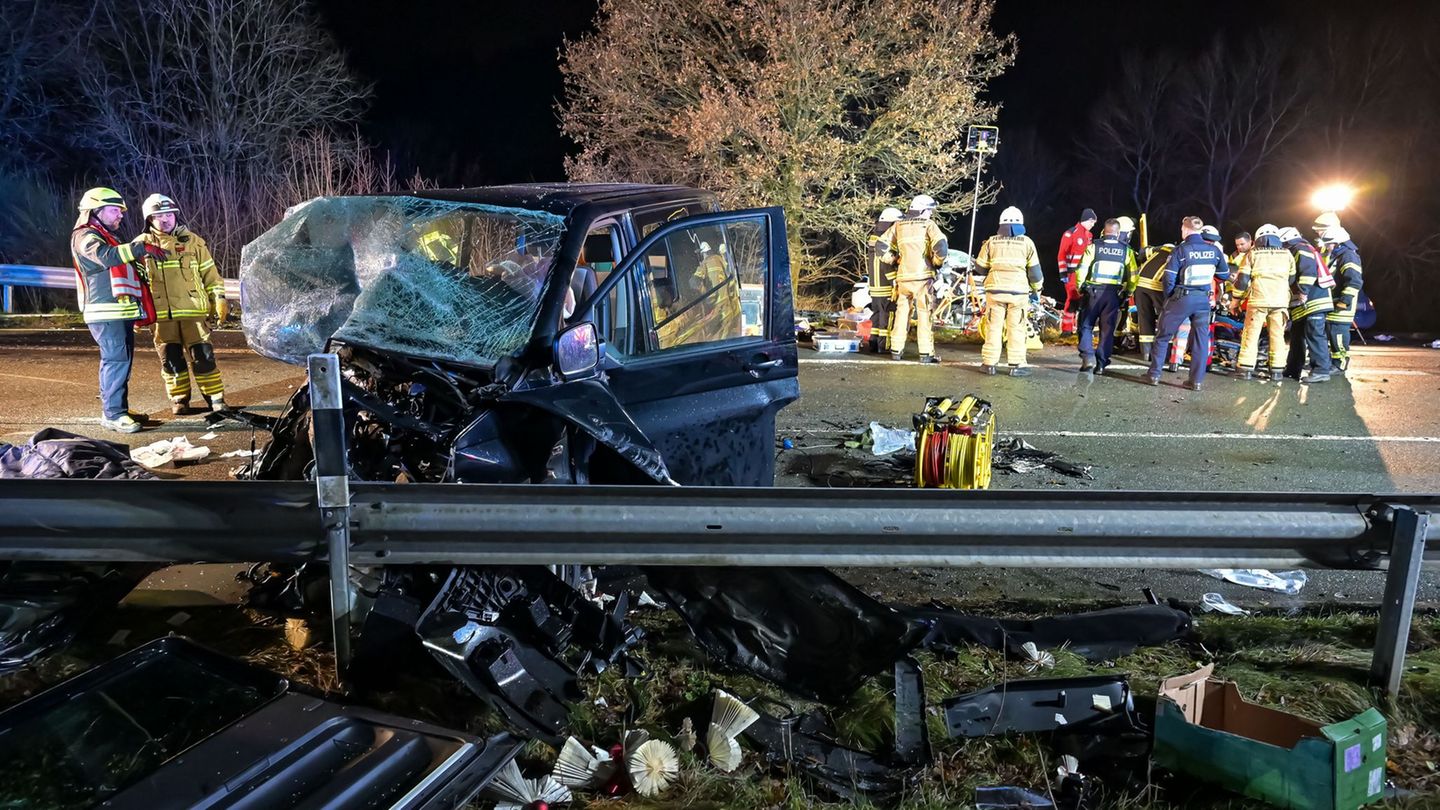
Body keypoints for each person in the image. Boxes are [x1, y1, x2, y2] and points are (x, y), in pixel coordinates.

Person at [70, 187, 165, 433]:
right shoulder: (86, 236)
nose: (120, 215)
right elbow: (106, 257)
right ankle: (113, 414)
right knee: (116, 360)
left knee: (121, 360)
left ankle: (117, 407)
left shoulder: (103, 235)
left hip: (117, 311)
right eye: (114, 210)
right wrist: (139, 248)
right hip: (105, 312)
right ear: (95, 211)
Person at [138, 194, 229, 414]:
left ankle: (216, 400)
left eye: (169, 214)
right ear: (149, 219)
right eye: (159, 216)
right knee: (171, 360)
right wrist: (137, 312)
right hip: (161, 317)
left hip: (193, 313)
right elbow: (136, 283)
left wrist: (219, 297)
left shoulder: (194, 242)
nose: (166, 220)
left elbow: (211, 274)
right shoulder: (140, 246)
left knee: (204, 357)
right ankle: (180, 400)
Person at [1148, 216, 1229, 391]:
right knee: (1200, 340)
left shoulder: (1180, 250)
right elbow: (1224, 275)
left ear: (1185, 229)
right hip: (1203, 300)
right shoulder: (1214, 251)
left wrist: (1170, 298)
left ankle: (1154, 375)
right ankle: (1196, 381)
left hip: (1181, 298)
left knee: (1163, 335)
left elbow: (1168, 278)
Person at [973, 206, 1044, 376]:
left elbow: (980, 268)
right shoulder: (1027, 242)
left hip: (995, 291)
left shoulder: (991, 241)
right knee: (1016, 328)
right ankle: (1016, 365)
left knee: (993, 327)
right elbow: (1035, 273)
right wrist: (1037, 289)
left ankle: (989, 364)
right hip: (1018, 293)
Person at [882, 195, 948, 363]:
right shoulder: (929, 225)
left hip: (903, 278)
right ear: (923, 210)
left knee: (901, 313)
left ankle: (896, 350)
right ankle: (926, 354)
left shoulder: (898, 226)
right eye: (930, 211)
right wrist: (936, 263)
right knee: (925, 314)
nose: (931, 215)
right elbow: (941, 247)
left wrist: (894, 259)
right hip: (923, 279)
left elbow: (881, 247)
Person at [1230, 224, 1293, 383]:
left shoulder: (1252, 254)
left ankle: (1245, 369)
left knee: (1251, 335)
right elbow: (1292, 278)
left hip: (1258, 301)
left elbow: (1242, 281)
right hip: (1280, 303)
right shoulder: (1287, 254)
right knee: (1277, 336)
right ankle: (1277, 371)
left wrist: (1235, 301)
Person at [1074, 218, 1137, 373]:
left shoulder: (1094, 247)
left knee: (1086, 325)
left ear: (1104, 231)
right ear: (1118, 233)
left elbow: (1081, 269)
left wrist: (1080, 287)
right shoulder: (1126, 251)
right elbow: (1134, 276)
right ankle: (1101, 364)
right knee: (1107, 330)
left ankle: (1088, 357)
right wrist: (1128, 291)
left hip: (1093, 293)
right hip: (1113, 295)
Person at [1281, 226, 1334, 383]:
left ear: (1286, 241)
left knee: (1315, 335)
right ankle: (1292, 369)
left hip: (1313, 301)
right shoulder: (1299, 248)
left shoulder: (1300, 248)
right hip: (1304, 303)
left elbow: (1308, 272)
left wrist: (1303, 291)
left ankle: (1321, 370)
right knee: (1297, 337)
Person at [1314, 211, 1363, 376]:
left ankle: (1340, 363)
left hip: (1342, 305)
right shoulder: (1333, 253)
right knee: (1329, 333)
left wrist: (1344, 301)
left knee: (1338, 334)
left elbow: (1354, 281)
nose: (1326, 246)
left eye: (1329, 244)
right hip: (1331, 302)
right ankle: (1328, 362)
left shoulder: (1348, 255)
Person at [864, 207, 904, 353]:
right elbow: (886, 264)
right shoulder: (886, 239)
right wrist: (895, 281)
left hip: (875, 286)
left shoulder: (874, 237)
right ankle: (884, 346)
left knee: (877, 314)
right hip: (886, 285)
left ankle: (873, 343)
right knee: (888, 316)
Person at [1132, 242, 1173, 363]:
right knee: (1166, 319)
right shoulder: (1180, 253)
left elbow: (1142, 254)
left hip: (1140, 285)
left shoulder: (1161, 249)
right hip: (1157, 286)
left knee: (1144, 317)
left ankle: (1146, 353)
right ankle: (1165, 354)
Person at [1056, 208, 1097, 313]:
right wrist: (1063, 273)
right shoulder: (1070, 233)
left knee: (1081, 300)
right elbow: (1062, 254)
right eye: (1092, 222)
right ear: (1086, 220)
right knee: (1072, 299)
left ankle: (1076, 325)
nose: (1093, 225)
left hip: (1084, 272)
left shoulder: (1089, 235)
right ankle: (1067, 328)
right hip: (1071, 272)